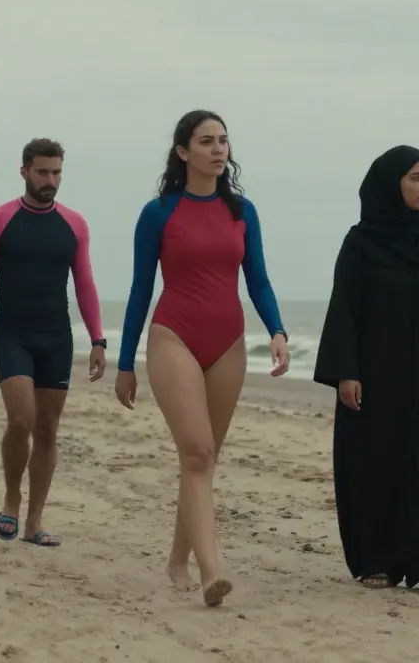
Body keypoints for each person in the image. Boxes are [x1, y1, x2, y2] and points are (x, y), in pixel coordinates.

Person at [114, 110, 289, 607]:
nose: (218, 149)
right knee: (196, 452)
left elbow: (257, 278)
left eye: (223, 141)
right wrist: (125, 362)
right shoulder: (158, 213)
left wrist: (276, 329)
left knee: (203, 460)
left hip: (228, 342)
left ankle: (177, 560)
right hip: (174, 337)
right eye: (206, 141)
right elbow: (140, 289)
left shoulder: (242, 211)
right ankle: (212, 570)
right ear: (183, 152)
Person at [312, 146, 419, 596]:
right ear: (392, 184)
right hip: (375, 375)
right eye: (416, 178)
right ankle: (376, 559)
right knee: (376, 464)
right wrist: (346, 371)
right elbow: (343, 308)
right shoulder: (360, 242)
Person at [0, 138, 107, 548]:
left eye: (57, 172)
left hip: (56, 337)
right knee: (21, 419)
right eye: (43, 172)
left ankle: (34, 520)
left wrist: (97, 339)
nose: (50, 180)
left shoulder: (74, 224)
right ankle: (11, 500)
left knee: (47, 429)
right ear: (24, 171)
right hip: (12, 334)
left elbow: (84, 283)